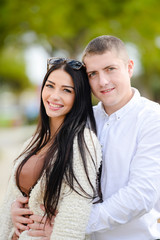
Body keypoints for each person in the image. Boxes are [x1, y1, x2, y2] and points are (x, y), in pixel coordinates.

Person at [10, 35, 160, 240]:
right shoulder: (82, 120)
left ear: (129, 67)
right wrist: (18, 208)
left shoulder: (152, 118)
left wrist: (71, 223)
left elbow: (141, 195)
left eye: (110, 69)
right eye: (93, 74)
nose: (103, 81)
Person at [0, 57, 102, 240]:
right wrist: (13, 211)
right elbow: (11, 198)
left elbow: (76, 210)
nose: (54, 96)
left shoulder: (83, 142)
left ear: (78, 97)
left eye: (66, 90)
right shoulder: (33, 141)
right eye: (50, 86)